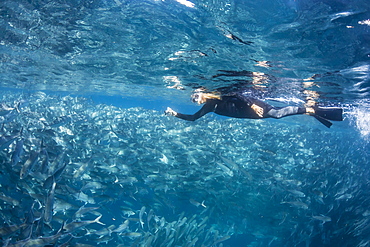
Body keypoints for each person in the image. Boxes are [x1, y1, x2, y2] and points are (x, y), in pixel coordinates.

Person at [165, 91, 343, 128]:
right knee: (277, 113)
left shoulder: (217, 96)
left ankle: (309, 109)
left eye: (196, 97)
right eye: (193, 100)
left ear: (202, 93)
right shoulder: (208, 107)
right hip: (250, 115)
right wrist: (174, 114)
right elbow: (193, 118)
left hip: (253, 106)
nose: (196, 101)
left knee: (277, 114)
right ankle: (310, 111)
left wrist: (254, 105)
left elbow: (237, 94)